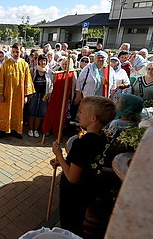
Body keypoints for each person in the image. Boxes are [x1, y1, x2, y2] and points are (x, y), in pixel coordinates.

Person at [51, 96, 116, 236]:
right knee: (77, 222)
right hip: (88, 189)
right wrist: (64, 163)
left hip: (74, 193)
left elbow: (73, 177)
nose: (78, 114)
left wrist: (59, 155)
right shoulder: (102, 137)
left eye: (81, 112)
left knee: (70, 226)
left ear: (93, 118)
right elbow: (83, 163)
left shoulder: (83, 143)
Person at [0, 43, 34, 139]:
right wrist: (1, 94)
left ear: (21, 52)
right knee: (5, 111)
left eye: (17, 52)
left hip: (19, 95)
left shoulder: (24, 65)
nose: (15, 54)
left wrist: (26, 95)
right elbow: (0, 80)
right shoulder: (5, 64)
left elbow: (27, 81)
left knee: (17, 112)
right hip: (7, 94)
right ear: (11, 52)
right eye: (14, 52)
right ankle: (3, 130)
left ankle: (15, 130)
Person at [27, 54, 53, 138]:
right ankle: (30, 129)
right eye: (41, 60)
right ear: (38, 61)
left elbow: (51, 83)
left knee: (40, 113)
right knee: (32, 111)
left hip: (44, 95)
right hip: (34, 94)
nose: (43, 62)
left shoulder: (49, 71)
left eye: (44, 60)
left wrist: (49, 93)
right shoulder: (33, 70)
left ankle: (35, 130)